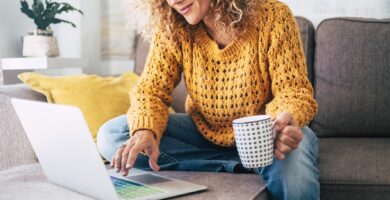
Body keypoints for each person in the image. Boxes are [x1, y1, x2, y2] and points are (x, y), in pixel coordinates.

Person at [97, 0, 320, 199]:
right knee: (113, 134)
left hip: (265, 137)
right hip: (204, 133)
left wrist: (280, 124)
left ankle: (250, 162)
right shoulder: (173, 25)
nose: (174, 1)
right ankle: (242, 167)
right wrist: (144, 131)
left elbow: (293, 91)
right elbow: (150, 91)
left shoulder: (274, 16)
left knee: (294, 161)